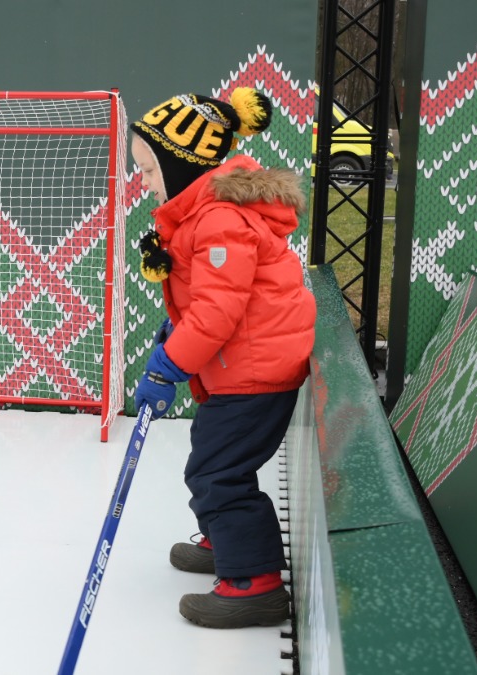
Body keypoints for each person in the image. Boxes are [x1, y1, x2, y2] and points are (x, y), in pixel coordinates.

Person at [130, 88, 316, 628]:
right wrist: (175, 329)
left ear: (182, 163)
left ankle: (253, 584)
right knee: (211, 458)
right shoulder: (203, 216)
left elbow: (218, 312)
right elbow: (217, 297)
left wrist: (168, 366)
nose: (144, 182)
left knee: (219, 471)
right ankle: (225, 542)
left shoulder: (218, 220)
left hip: (255, 372)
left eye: (149, 169)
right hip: (247, 365)